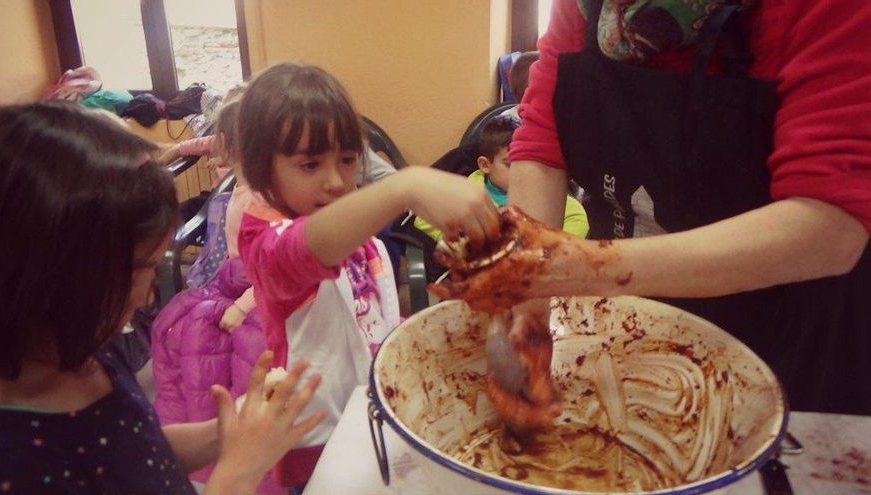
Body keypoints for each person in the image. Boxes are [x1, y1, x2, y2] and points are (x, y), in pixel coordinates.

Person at [436, 0, 871, 417]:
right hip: (642, 312)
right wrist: (529, 302)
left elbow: (830, 224)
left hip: (797, 331)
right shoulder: (587, 8)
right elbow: (542, 144)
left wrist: (559, 268)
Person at [0, 101, 327, 494]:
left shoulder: (85, 353)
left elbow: (136, 449)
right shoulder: (13, 462)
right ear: (53, 278)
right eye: (139, 271)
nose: (151, 293)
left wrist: (230, 430)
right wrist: (237, 474)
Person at [235, 62, 500, 488]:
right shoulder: (266, 242)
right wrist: (405, 185)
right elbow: (307, 247)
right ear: (261, 167)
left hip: (372, 412)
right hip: (313, 433)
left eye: (346, 159)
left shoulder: (349, 229)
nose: (337, 181)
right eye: (310, 165)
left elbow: (372, 313)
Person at [150, 100, 286, 493]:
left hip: (254, 296)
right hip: (233, 284)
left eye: (224, 145)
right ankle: (208, 441)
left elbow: (272, 270)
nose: (215, 154)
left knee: (235, 362)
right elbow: (206, 143)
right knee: (181, 337)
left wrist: (243, 304)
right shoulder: (242, 186)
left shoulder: (261, 202)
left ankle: (257, 464)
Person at [415, 114, 588, 241]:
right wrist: (464, 240)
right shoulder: (466, 193)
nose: (521, 171)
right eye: (509, 164)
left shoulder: (544, 191)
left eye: (527, 162)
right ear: (485, 165)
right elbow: (422, 217)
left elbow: (578, 219)